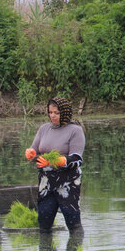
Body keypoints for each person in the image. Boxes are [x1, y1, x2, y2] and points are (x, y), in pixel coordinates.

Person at [25, 97, 85, 233]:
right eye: (50, 112)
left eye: (56, 113)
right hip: (46, 182)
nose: (53, 116)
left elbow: (76, 159)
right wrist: (30, 153)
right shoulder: (44, 129)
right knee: (44, 221)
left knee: (72, 220)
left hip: (68, 182)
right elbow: (35, 150)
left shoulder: (75, 130)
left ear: (64, 113)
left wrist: (52, 161)